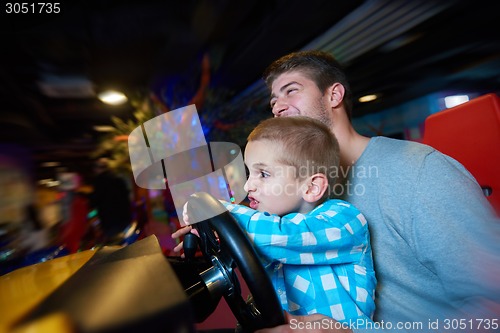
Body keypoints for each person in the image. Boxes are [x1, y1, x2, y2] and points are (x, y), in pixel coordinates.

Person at [253, 50, 500, 332]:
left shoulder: (418, 171)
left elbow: (493, 306)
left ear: (333, 96)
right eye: (274, 101)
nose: (278, 108)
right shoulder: (302, 188)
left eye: (291, 91)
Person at [177, 116, 377, 324]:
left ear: (311, 187)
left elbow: (285, 236)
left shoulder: (345, 220)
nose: (247, 187)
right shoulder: (267, 230)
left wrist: (218, 210)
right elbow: (243, 254)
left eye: (263, 174)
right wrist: (211, 235)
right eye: (249, 173)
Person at [89, 157, 133, 243]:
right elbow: (127, 198)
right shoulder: (119, 179)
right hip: (124, 219)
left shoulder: (98, 182)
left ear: (97, 169)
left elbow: (94, 202)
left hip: (109, 221)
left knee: (114, 245)